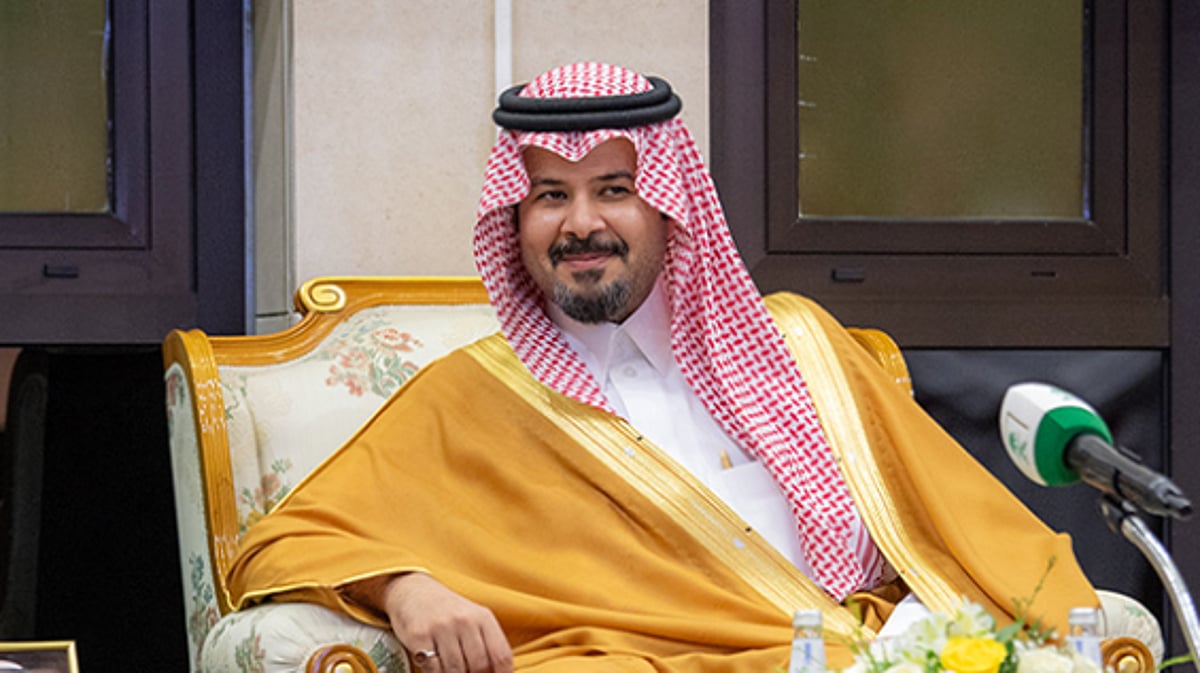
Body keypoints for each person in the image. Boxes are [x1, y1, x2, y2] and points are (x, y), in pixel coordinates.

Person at [227, 63, 1100, 673]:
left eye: (614, 189)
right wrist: (406, 587)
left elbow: (967, 525)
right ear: (515, 218)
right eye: (550, 195)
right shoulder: (472, 396)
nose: (581, 223)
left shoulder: (804, 349)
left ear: (670, 207)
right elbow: (285, 541)